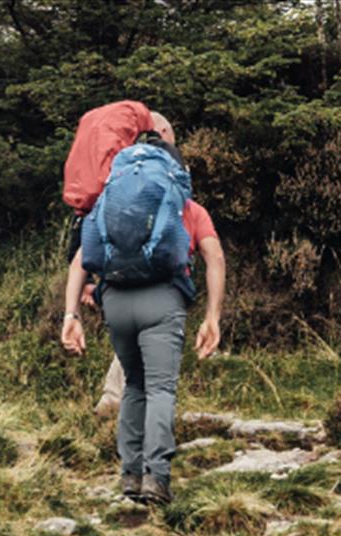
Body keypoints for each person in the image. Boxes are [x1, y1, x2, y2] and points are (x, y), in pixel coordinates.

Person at [62, 113, 226, 506]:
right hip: (162, 301)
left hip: (115, 302)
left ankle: (129, 476)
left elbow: (81, 260)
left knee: (133, 385)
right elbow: (214, 256)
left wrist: (70, 316)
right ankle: (157, 478)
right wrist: (212, 316)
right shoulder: (188, 206)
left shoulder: (112, 201)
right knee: (160, 388)